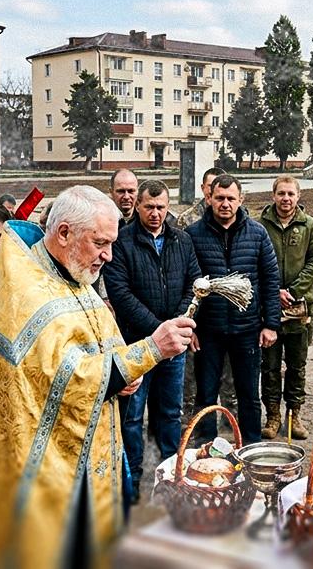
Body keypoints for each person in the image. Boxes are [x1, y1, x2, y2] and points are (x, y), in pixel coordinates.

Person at [0, 185, 194, 569]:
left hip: (85, 446)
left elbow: (97, 344)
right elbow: (64, 378)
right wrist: (150, 350)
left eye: (111, 243)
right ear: (64, 232)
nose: (108, 255)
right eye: (100, 243)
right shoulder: (28, 292)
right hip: (48, 464)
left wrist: (123, 373)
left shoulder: (69, 272)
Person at [103, 179, 200, 506]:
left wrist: (176, 326)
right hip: (136, 345)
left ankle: (171, 475)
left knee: (170, 413)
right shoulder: (122, 242)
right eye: (149, 207)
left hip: (174, 350)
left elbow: (194, 284)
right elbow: (120, 294)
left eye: (161, 207)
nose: (155, 213)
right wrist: (160, 331)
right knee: (132, 416)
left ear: (167, 207)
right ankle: (131, 480)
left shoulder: (181, 240)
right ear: (138, 206)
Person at [185, 174, 281, 444]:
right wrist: (190, 328)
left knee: (249, 394)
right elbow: (186, 283)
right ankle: (206, 447)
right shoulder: (193, 235)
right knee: (206, 394)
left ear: (241, 199)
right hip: (208, 331)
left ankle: (251, 447)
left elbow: (270, 280)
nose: (225, 204)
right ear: (209, 198)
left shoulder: (257, 234)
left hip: (247, 329)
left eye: (230, 198)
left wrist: (271, 324)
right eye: (219, 198)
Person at [258, 175, 313, 440]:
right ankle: (272, 415)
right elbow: (255, 262)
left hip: (300, 310)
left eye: (290, 194)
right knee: (270, 367)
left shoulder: (309, 226)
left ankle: (294, 415)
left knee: (297, 366)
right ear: (273, 195)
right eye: (281, 193)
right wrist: (274, 292)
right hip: (269, 309)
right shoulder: (260, 226)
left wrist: (294, 291)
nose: (286, 199)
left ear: (298, 196)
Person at [176, 166, 236, 417]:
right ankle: (193, 416)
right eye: (213, 190)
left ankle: (230, 415)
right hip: (199, 313)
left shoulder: (234, 220)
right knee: (195, 374)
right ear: (205, 190)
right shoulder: (187, 222)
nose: (218, 198)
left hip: (227, 314)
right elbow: (184, 272)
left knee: (229, 373)